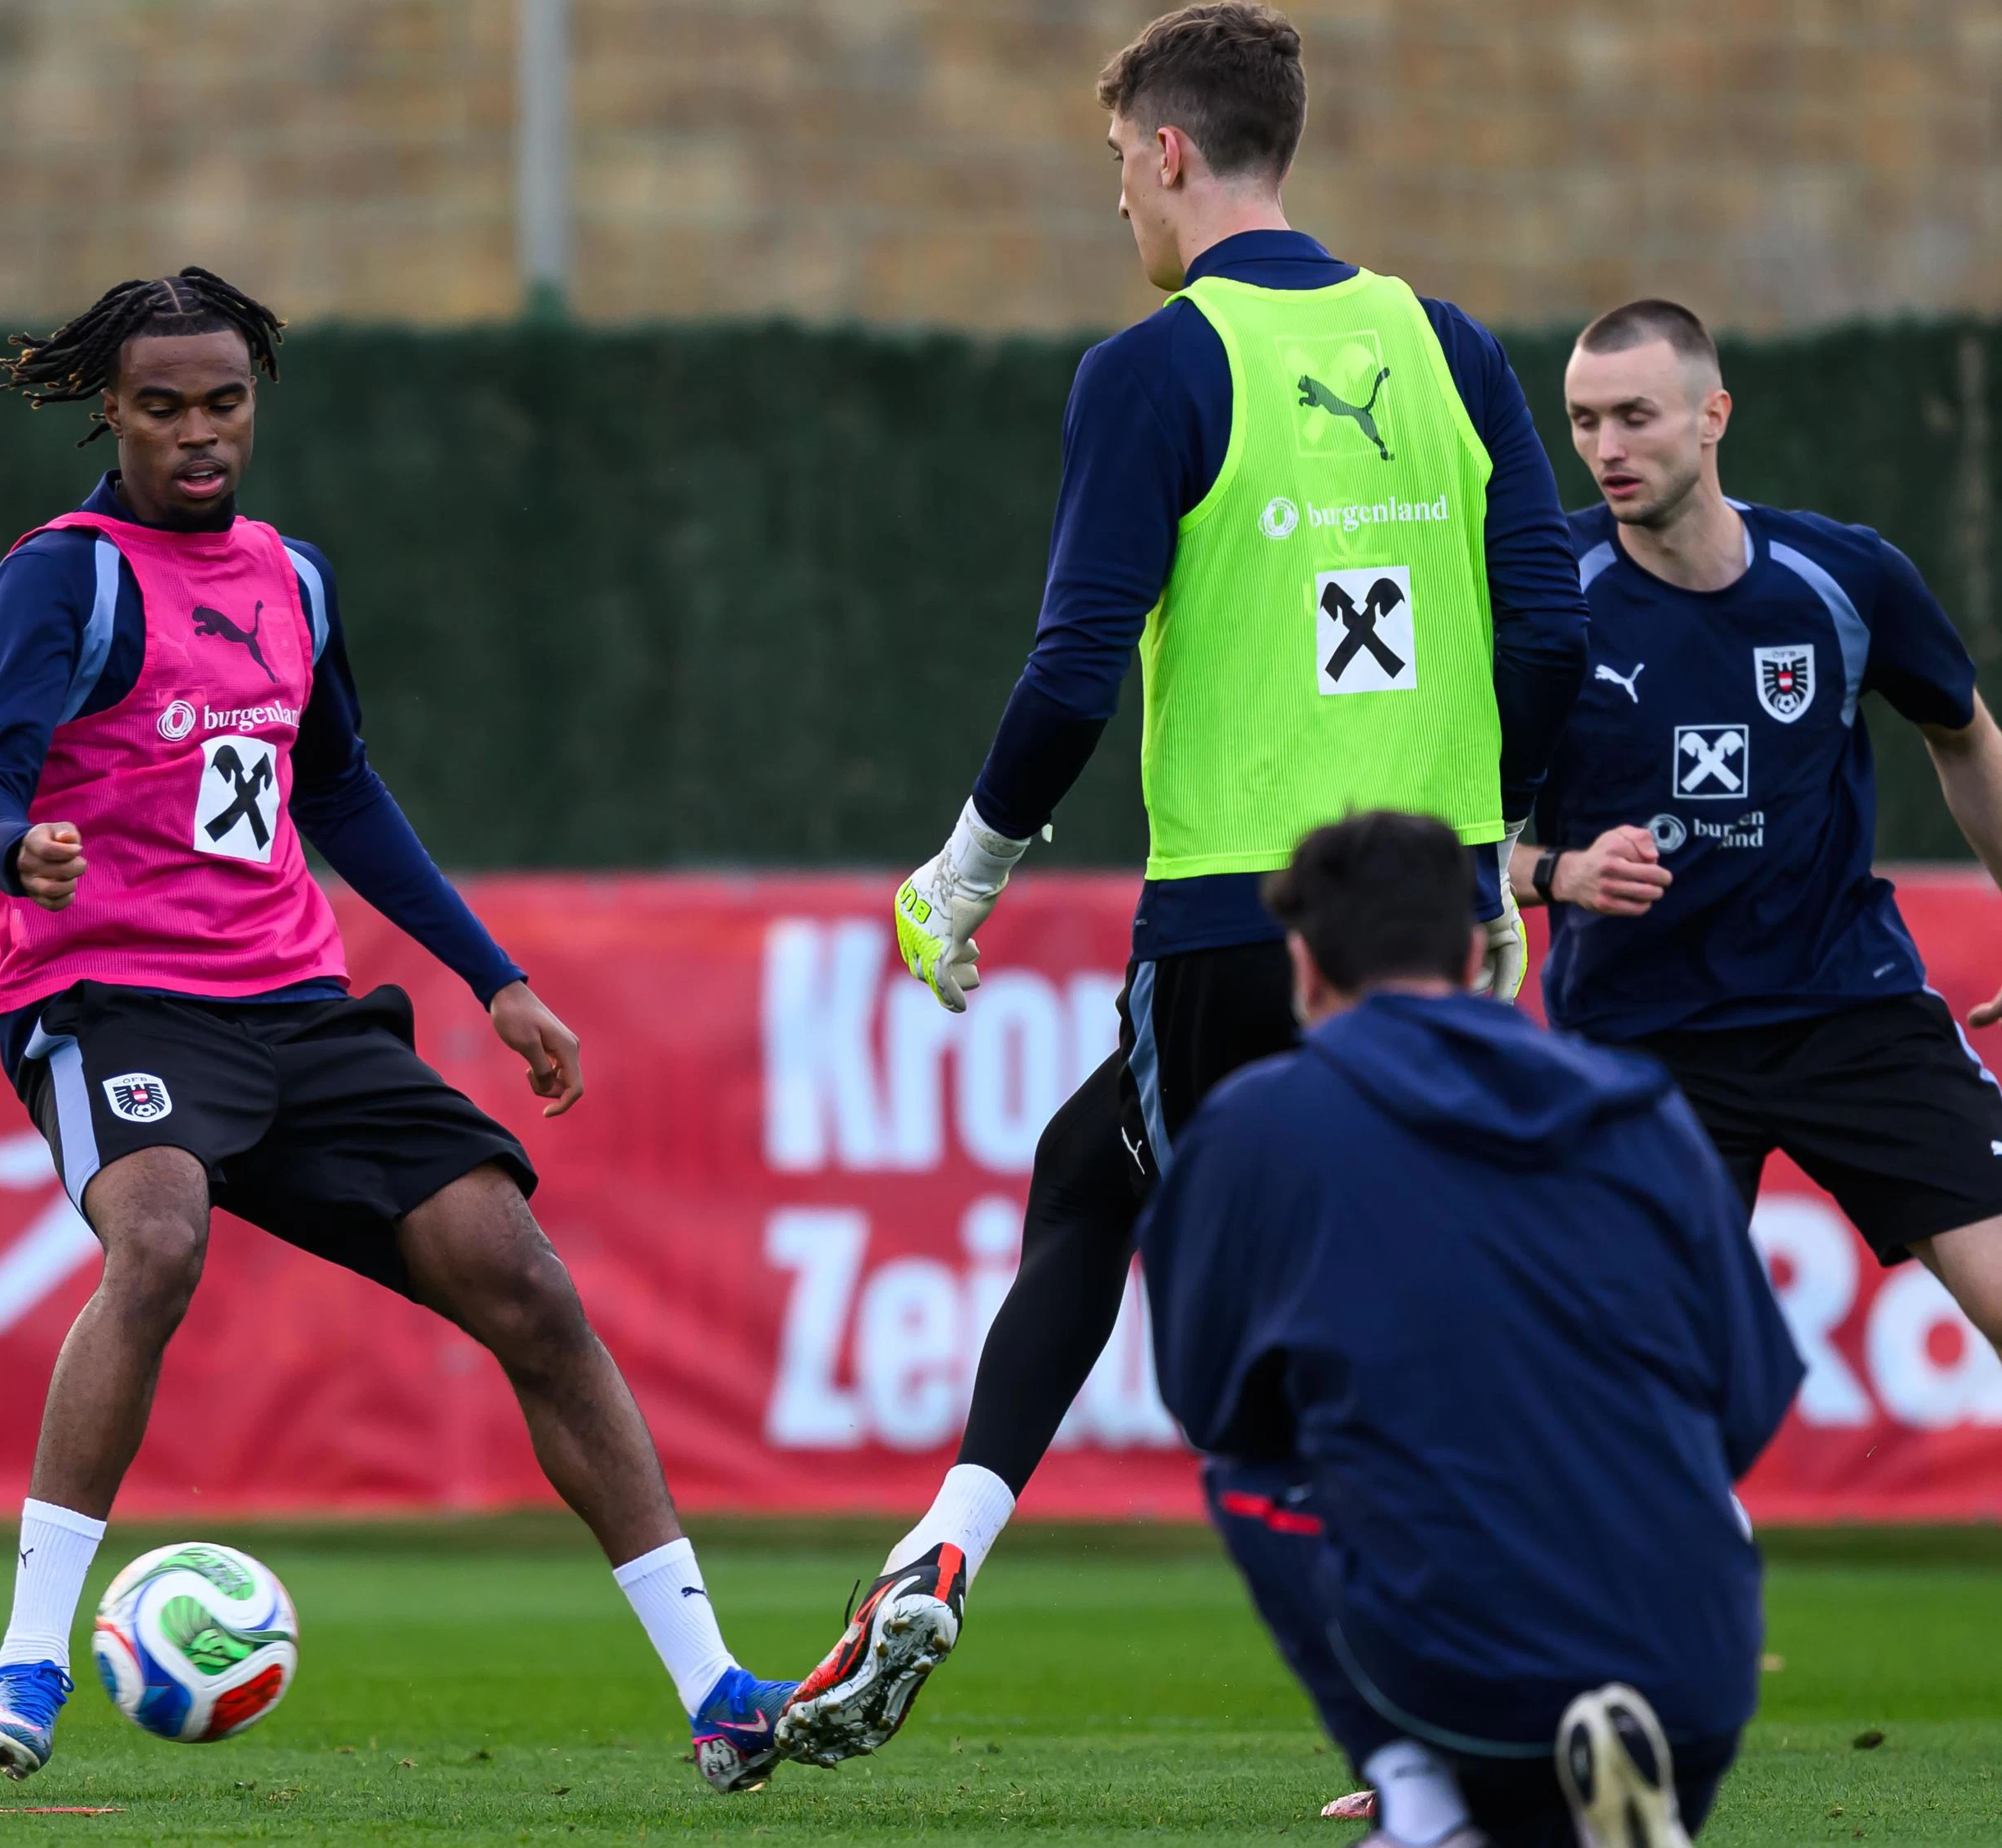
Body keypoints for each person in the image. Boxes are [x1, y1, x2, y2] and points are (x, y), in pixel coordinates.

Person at [779, 3, 1588, 1768]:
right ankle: (963, 1545)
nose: (1114, 214)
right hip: (1435, 918)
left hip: (1240, 931)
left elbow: (1073, 667)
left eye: (1110, 173)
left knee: (1164, 1259)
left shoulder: (1152, 364)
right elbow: (1546, 620)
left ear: (1161, 153)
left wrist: (964, 868)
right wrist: (1491, 840)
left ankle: (1448, 1712)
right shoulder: (1443, 346)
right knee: (1137, 1187)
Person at [0, 269, 793, 1792]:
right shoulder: (63, 576)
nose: (200, 436)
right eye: (163, 408)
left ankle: (717, 1688)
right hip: (114, 997)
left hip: (292, 1006)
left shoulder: (295, 579)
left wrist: (495, 977)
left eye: (225, 403)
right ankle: (27, 1658)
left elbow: (339, 792)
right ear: (112, 413)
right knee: (158, 1240)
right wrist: (18, 850)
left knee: (525, 1286)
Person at [1140, 811, 1802, 1848]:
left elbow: (1211, 1402)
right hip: (1696, 1676)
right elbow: (1750, 1400)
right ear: (1472, 953)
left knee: (1250, 1478)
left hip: (1457, 1675)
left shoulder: (1262, 1122)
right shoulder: (1640, 1106)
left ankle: (1420, 1797)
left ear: (1303, 968)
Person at [1521, 297, 2002, 1365]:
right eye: (1583, 420)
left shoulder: (1844, 578)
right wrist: (1556, 870)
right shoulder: (1548, 599)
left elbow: (1963, 733)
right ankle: (1685, 1528)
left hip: (1848, 1006)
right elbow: (1443, 829)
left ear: (1713, 415)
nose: (1606, 448)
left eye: (1635, 416)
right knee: (1632, 1375)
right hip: (1642, 1040)